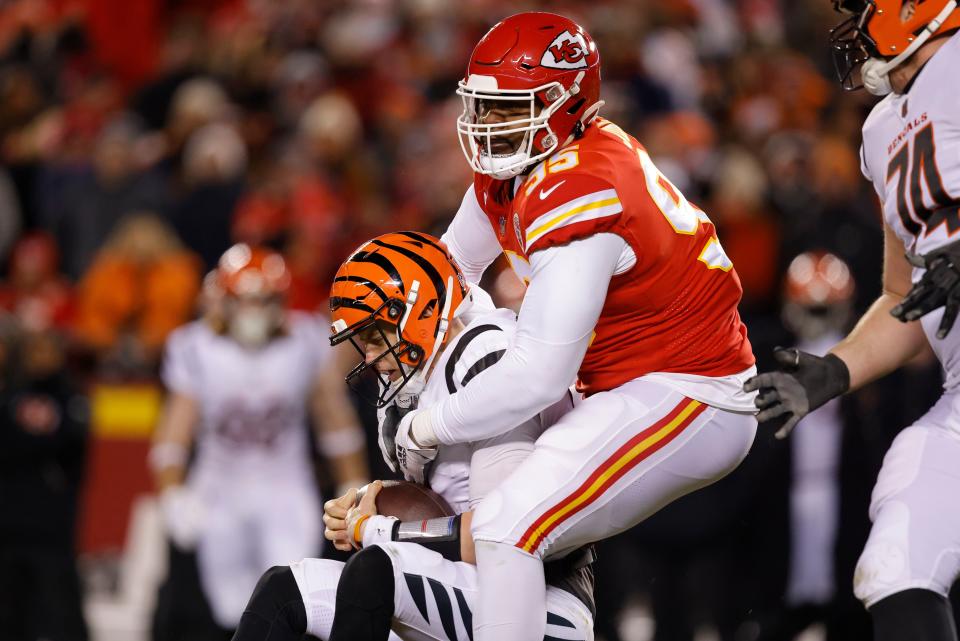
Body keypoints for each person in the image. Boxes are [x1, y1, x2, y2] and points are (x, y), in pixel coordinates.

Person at [385, 13, 758, 641]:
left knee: (509, 522)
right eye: (484, 107)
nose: (489, 126)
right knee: (502, 510)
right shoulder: (523, 168)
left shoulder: (579, 186)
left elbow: (537, 374)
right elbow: (447, 280)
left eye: (509, 109)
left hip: (691, 390)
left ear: (566, 102)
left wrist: (424, 424)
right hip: (616, 384)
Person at [230, 232, 594, 641]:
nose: (368, 357)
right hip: (466, 582)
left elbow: (505, 536)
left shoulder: (486, 359)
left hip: (540, 602)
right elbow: (444, 506)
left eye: (374, 335)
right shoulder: (420, 383)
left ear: (415, 313)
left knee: (376, 569)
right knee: (283, 589)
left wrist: (373, 528)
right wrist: (375, 498)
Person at [746, 2, 960, 640]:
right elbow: (906, 293)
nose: (858, 27)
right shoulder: (881, 130)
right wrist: (838, 369)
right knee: (892, 566)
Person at [149, 243, 369, 637]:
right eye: (244, 300)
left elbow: (334, 421)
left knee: (291, 597)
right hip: (219, 487)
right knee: (227, 606)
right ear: (223, 299)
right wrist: (171, 491)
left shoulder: (304, 341)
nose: (253, 312)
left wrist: (351, 483)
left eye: (263, 300)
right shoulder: (195, 347)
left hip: (284, 486)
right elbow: (174, 431)